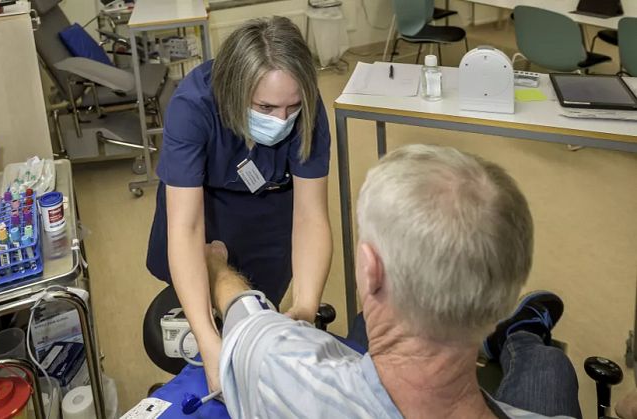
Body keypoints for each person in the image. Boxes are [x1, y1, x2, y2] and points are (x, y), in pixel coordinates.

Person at [206, 144, 583, 418]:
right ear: (502, 300)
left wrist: (217, 266)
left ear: (370, 271)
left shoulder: (283, 371)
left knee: (360, 330)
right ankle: (521, 335)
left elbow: (245, 313)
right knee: (552, 368)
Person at [146, 17, 332, 391]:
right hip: (203, 208)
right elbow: (186, 227)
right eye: (265, 107)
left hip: (270, 208)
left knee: (259, 311)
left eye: (291, 107)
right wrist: (206, 340)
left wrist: (307, 307)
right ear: (234, 90)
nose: (282, 120)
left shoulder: (305, 108)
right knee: (206, 316)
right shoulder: (193, 106)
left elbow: (311, 215)